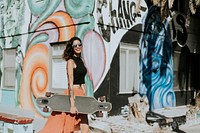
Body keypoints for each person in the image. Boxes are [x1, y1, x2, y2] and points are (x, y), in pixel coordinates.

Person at [39, 37, 90, 133]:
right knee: (70, 126)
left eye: (79, 44)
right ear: (72, 47)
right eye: (75, 45)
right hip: (72, 94)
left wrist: (85, 97)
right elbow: (70, 82)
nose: (78, 47)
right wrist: (72, 104)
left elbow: (83, 81)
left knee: (85, 125)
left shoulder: (82, 61)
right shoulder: (70, 62)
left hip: (81, 94)